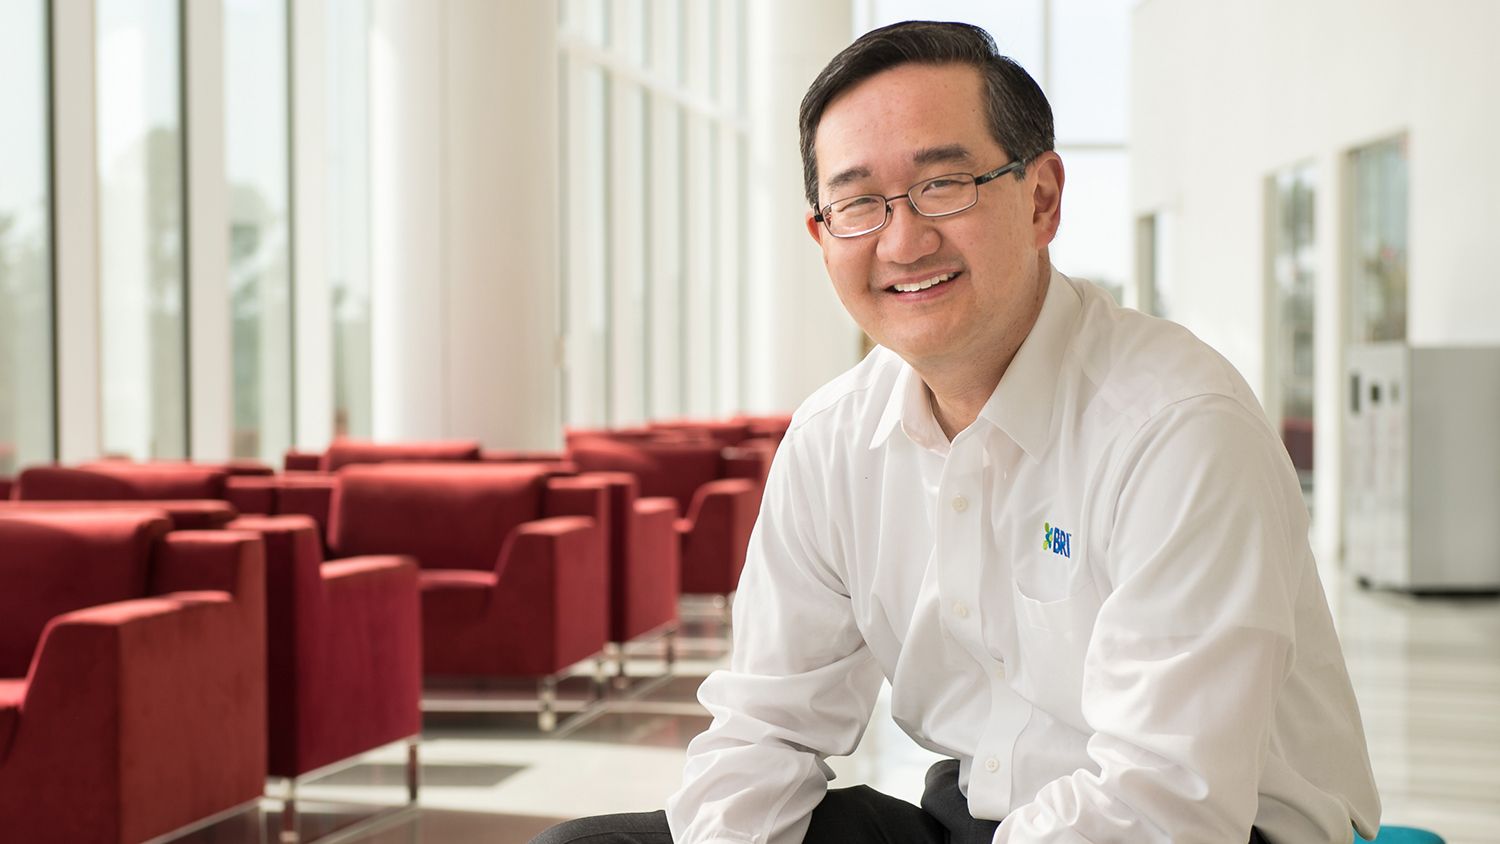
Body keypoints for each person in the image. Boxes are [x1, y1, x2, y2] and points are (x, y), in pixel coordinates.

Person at [535, 20, 1380, 844]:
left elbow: (1166, 805)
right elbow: (765, 728)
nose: (903, 240)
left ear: (1042, 198)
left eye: (944, 185)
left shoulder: (1178, 428)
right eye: (859, 203)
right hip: (977, 816)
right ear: (822, 235)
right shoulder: (834, 439)